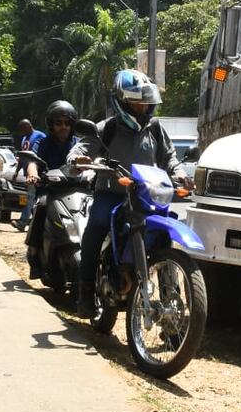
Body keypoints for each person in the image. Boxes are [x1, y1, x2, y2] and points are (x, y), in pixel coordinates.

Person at [69, 69, 193, 318]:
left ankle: (171, 300)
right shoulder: (107, 128)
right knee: (96, 227)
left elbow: (169, 158)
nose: (143, 107)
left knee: (163, 235)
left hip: (146, 194)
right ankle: (85, 294)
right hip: (112, 192)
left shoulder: (154, 128)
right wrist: (78, 160)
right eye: (137, 102)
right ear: (122, 102)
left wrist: (179, 173)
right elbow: (81, 149)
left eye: (146, 101)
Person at [23, 100, 80, 279]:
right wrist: (33, 174)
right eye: (59, 123)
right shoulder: (43, 143)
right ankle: (34, 252)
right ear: (51, 125)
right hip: (50, 190)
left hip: (77, 191)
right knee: (41, 206)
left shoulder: (79, 145)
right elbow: (32, 162)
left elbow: (91, 159)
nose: (63, 127)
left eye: (67, 123)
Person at [14, 118, 48, 228]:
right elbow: (23, 156)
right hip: (27, 173)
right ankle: (37, 223)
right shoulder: (24, 138)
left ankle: (22, 222)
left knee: (31, 197)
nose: (20, 132)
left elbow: (43, 154)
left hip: (38, 172)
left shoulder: (40, 136)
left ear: (28, 126)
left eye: (22, 129)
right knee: (33, 197)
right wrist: (16, 171)